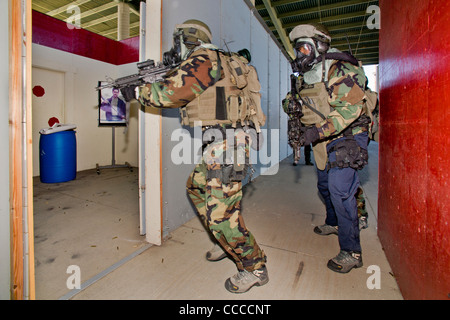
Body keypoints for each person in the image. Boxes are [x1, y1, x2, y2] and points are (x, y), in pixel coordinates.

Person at [133, 20, 268, 293]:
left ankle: (254, 267)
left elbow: (171, 93)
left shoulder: (204, 58)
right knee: (195, 188)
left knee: (221, 215)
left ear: (188, 39)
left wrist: (139, 92)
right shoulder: (220, 59)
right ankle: (225, 243)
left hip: (227, 147)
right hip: (220, 145)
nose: (176, 47)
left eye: (178, 41)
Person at [289, 23, 370, 273]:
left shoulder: (339, 68)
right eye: (297, 49)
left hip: (349, 134)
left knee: (340, 189)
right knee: (324, 185)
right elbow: (302, 102)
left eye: (304, 47)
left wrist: (315, 132)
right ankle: (334, 222)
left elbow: (351, 109)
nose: (300, 54)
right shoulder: (307, 76)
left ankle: (351, 251)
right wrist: (290, 105)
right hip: (324, 137)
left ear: (320, 46)